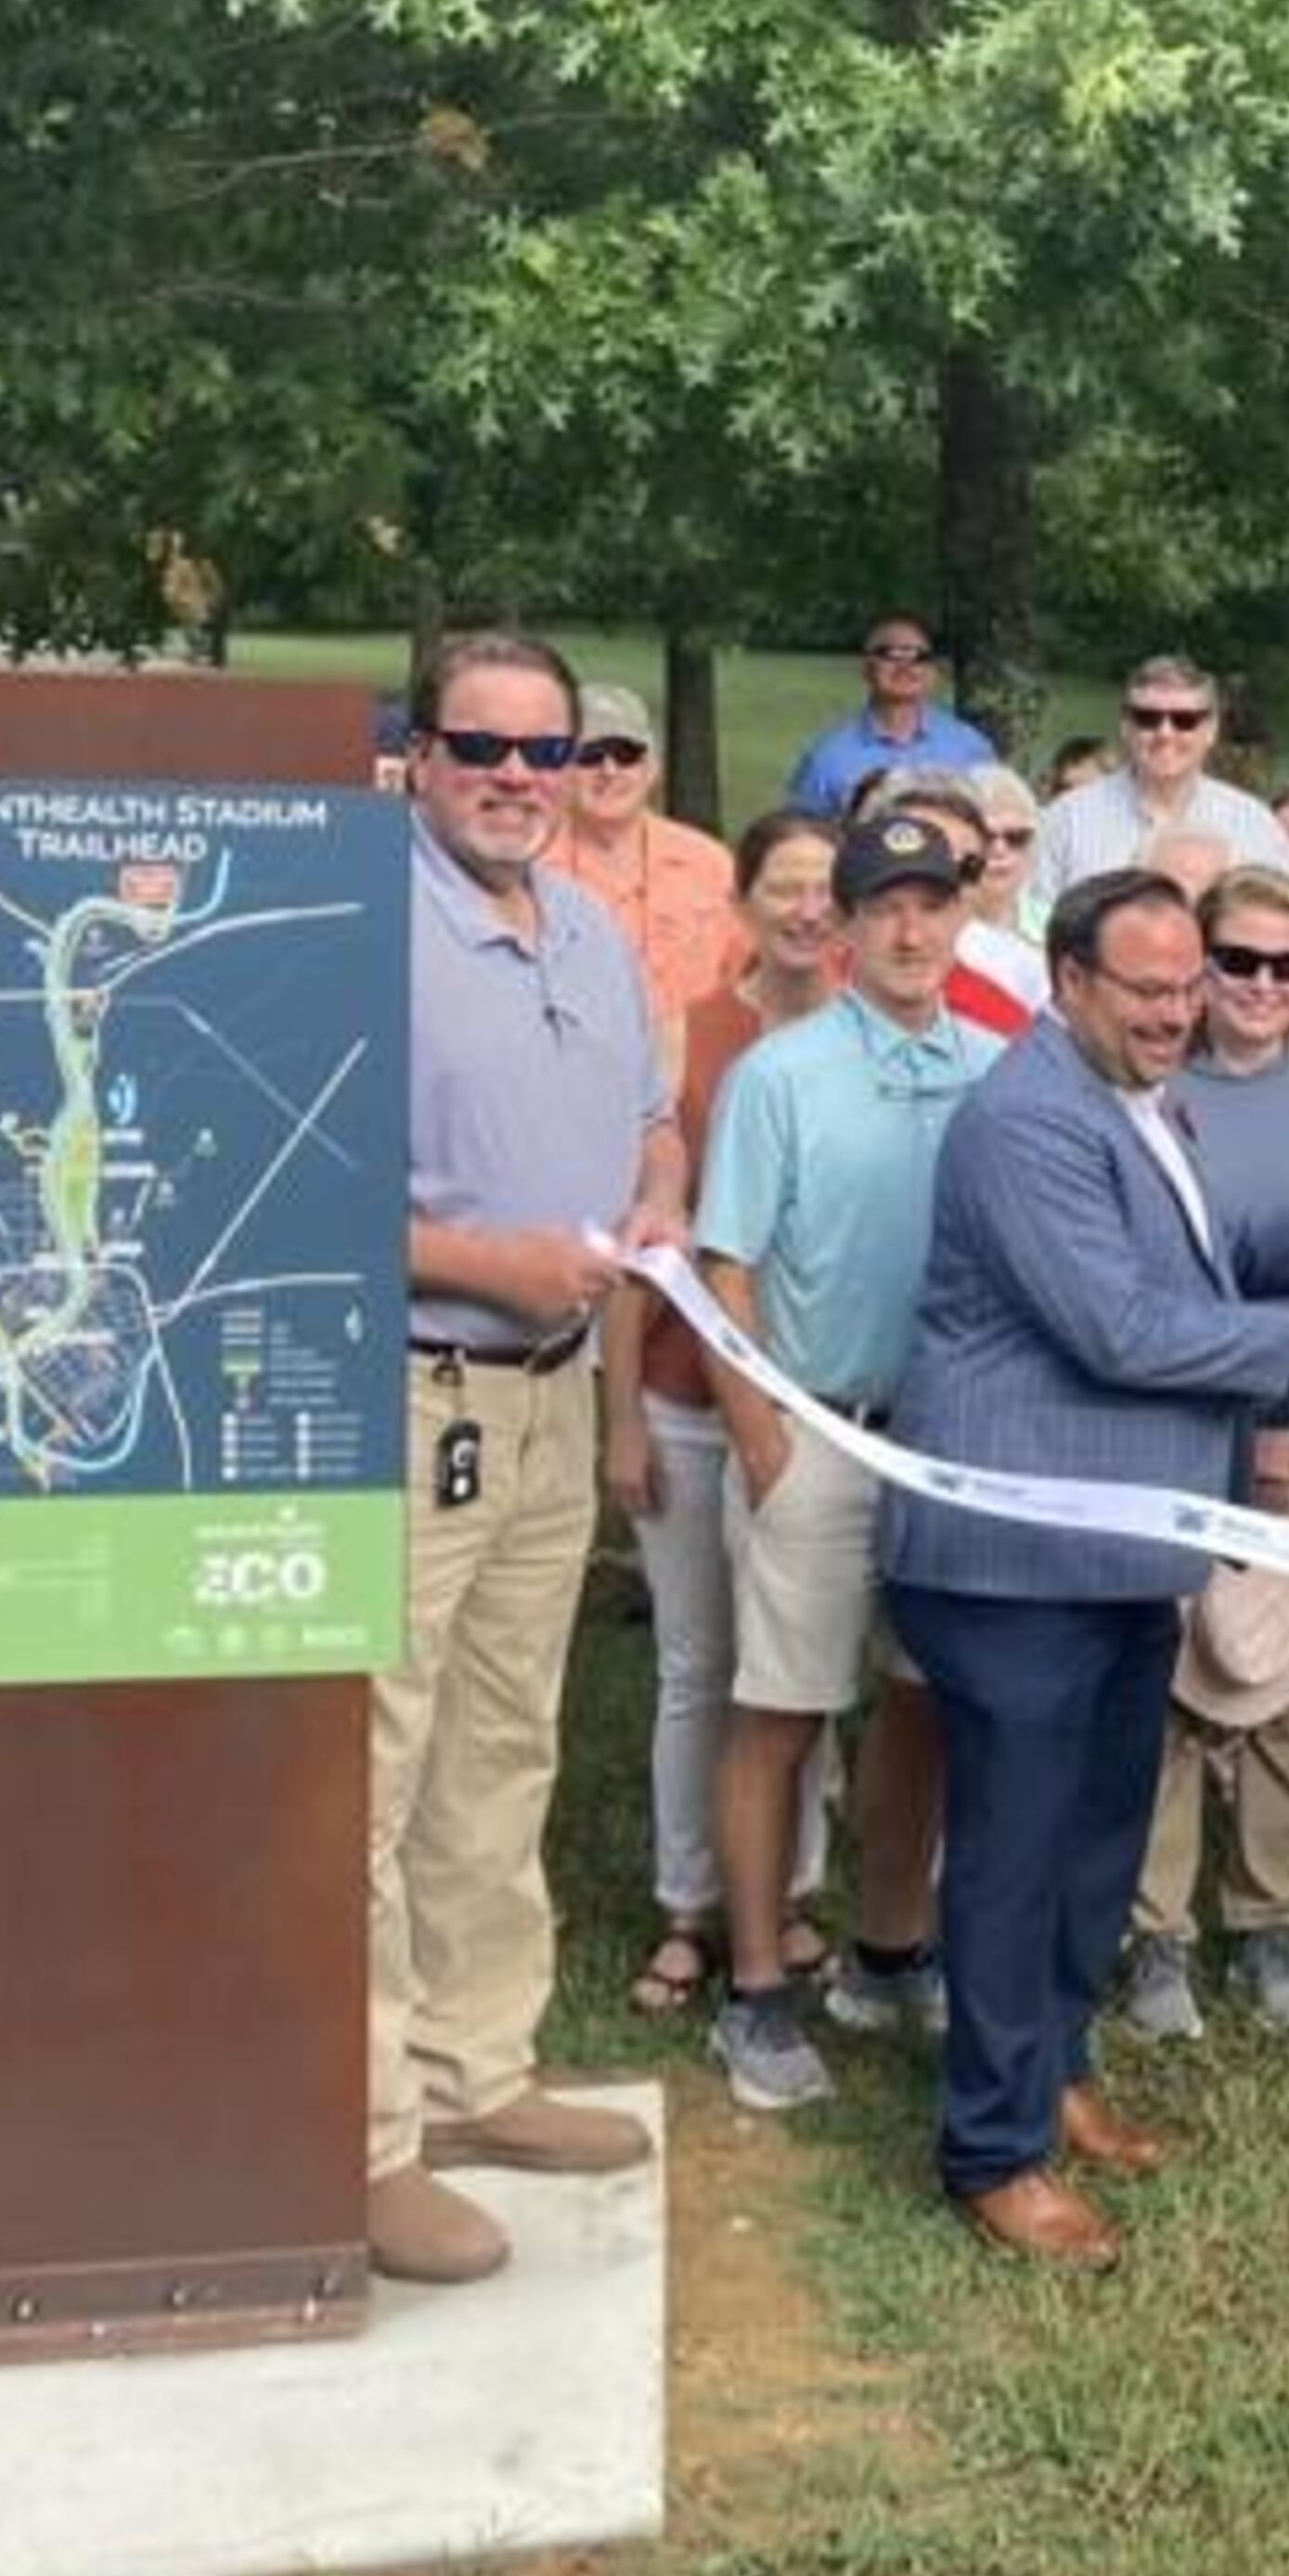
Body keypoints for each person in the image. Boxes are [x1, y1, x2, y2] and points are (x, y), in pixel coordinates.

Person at [879, 870, 1289, 2271]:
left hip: (1122, 1543)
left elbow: (1188, 1267)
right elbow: (1118, 1326)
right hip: (1013, 1555)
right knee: (1016, 1849)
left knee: (1098, 1835)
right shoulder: (1026, 1119)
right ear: (1069, 983)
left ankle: (1056, 2066)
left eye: (1190, 989)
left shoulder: (1137, 1101)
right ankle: (993, 2149)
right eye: (1149, 991)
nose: (1180, 1014)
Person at [382, 632, 687, 2284]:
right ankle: (366, 2132)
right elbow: (278, 1182)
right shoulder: (365, 927)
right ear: (421, 753)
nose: (517, 778)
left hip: (560, 1396)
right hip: (416, 1392)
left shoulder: (584, 920)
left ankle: (474, 2071)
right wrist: (486, 1262)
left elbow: (654, 1108)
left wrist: (658, 1189)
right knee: (381, 1762)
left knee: (504, 1745)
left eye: (545, 753)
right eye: (482, 747)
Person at [692, 814, 999, 2112]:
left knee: (921, 1704)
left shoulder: (997, 1068)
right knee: (782, 1709)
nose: (912, 930)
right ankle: (758, 1986)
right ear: (849, 922)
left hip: (947, 1446)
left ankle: (887, 1949)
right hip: (814, 1425)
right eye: (887, 907)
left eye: (933, 904)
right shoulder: (784, 1071)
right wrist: (761, 1433)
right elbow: (726, 1264)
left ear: (963, 915)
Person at [1116, 868, 1289, 2041]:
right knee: (1174, 1677)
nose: (1260, 986)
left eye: (1288, 966)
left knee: (1283, 1675)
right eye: (1237, 961)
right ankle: (1157, 1932)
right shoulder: (1149, 1091)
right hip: (1176, 1428)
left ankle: (1267, 1912)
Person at [601, 809, 844, 2028]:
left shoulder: (870, 1039)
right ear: (742, 904)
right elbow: (633, 1245)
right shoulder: (682, 1037)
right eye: (785, 888)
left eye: (825, 890)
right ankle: (689, 1903)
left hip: (820, 1415)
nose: (807, 910)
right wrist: (622, 1425)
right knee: (700, 1665)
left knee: (794, 1670)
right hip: (690, 1401)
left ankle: (794, 1888)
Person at [554, 681, 737, 1086]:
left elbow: (744, 979)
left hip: (699, 1084)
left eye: (626, 754)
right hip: (572, 1081)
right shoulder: (527, 870)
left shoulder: (711, 862)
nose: (609, 771)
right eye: (590, 755)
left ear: (652, 767)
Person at [1038, 654, 1289, 894]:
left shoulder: (1253, 826)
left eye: (1185, 720)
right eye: (1147, 718)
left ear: (1211, 730)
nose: (1165, 733)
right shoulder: (1067, 821)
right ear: (1125, 726)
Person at [787, 615, 999, 816]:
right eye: (889, 654)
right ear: (866, 668)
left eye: (918, 656)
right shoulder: (828, 757)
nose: (904, 666)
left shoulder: (971, 748)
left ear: (933, 672)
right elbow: (805, 837)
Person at [945, 762, 1047, 1032]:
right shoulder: (936, 924)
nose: (1000, 850)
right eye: (986, 837)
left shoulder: (1058, 922)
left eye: (1017, 837)